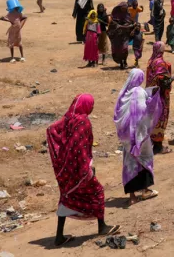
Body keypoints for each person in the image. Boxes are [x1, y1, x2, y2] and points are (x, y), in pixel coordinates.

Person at [46, 94, 119, 246]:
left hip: (65, 168)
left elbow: (51, 129)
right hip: (79, 167)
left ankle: (59, 236)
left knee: (66, 196)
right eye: (91, 105)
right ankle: (102, 226)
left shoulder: (68, 118)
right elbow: (81, 147)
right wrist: (87, 167)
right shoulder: (83, 121)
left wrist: (62, 155)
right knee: (97, 192)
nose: (92, 108)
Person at [114, 69, 163, 205]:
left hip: (127, 138)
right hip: (139, 135)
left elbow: (118, 115)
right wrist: (153, 99)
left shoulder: (123, 94)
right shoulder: (139, 92)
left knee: (130, 164)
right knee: (144, 160)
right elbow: (143, 111)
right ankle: (145, 190)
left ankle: (132, 197)